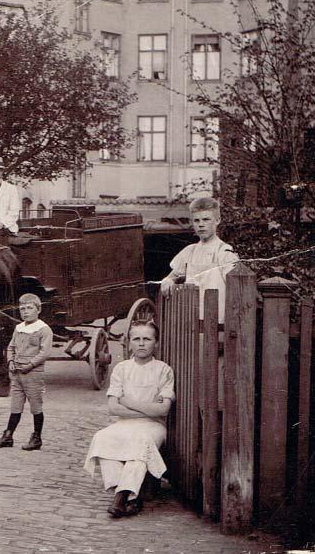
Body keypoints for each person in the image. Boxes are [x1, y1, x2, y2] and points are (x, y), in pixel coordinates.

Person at [84, 320, 174, 518]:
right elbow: (113, 408)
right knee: (103, 438)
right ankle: (130, 497)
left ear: (156, 343)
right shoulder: (122, 369)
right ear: (129, 342)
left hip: (153, 426)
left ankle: (121, 497)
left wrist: (127, 402)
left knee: (141, 443)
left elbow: (163, 410)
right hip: (124, 423)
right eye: (136, 339)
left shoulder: (163, 370)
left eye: (147, 339)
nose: (141, 343)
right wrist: (149, 408)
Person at [160, 196, 239, 324]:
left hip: (216, 320)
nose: (201, 224)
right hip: (190, 318)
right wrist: (168, 280)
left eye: (206, 219)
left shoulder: (224, 251)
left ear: (217, 220)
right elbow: (172, 276)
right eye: (196, 220)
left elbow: (236, 289)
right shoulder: (189, 251)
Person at [0, 293, 52, 451]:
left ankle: (36, 438)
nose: (25, 312)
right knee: (15, 406)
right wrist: (10, 361)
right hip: (17, 374)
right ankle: (8, 436)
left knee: (36, 407)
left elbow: (44, 353)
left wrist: (30, 365)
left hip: (33, 374)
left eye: (29, 308)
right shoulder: (19, 328)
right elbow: (11, 347)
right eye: (22, 309)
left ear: (38, 309)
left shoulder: (44, 330)